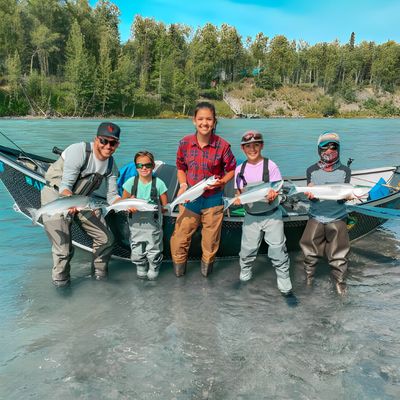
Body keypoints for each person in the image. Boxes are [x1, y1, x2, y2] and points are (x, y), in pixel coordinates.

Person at [41, 122, 121, 287]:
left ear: (117, 145)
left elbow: (112, 197)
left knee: (106, 239)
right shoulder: (79, 151)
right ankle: (61, 286)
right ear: (96, 139)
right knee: (63, 249)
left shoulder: (112, 166)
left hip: (84, 201)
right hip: (56, 197)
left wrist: (128, 203)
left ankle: (99, 278)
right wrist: (70, 206)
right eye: (103, 141)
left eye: (112, 143)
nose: (108, 146)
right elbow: (65, 187)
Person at [170, 101, 236, 277]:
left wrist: (222, 182)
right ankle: (179, 275)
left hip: (213, 200)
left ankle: (207, 276)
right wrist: (183, 185)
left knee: (210, 242)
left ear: (214, 122)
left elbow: (231, 170)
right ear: (194, 120)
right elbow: (180, 167)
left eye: (209, 119)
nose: (204, 123)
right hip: (190, 198)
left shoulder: (223, 146)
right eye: (200, 119)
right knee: (179, 239)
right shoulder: (185, 143)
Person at [234, 130, 293, 296]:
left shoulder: (271, 166)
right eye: (248, 146)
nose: (252, 149)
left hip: (272, 214)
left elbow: (279, 188)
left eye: (256, 145)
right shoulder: (239, 170)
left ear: (262, 146)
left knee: (278, 248)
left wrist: (275, 194)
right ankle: (245, 271)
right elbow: (239, 193)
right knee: (247, 249)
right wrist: (238, 199)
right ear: (242, 148)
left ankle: (283, 278)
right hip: (251, 216)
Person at [299, 131, 351, 295]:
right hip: (316, 216)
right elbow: (313, 199)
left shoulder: (345, 171)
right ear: (319, 149)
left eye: (333, 147)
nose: (329, 150)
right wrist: (311, 196)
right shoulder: (311, 170)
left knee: (339, 256)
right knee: (309, 252)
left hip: (337, 218)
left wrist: (346, 197)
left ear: (338, 149)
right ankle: (308, 281)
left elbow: (341, 200)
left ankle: (340, 285)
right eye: (325, 147)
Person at [121, 151, 168, 280]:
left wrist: (163, 209)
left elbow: (165, 205)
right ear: (136, 167)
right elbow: (123, 201)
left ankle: (154, 267)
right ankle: (140, 265)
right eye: (140, 165)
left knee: (154, 248)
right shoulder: (131, 182)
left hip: (153, 226)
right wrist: (128, 206)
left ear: (153, 166)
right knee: (136, 248)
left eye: (147, 165)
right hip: (135, 226)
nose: (144, 168)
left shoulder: (159, 183)